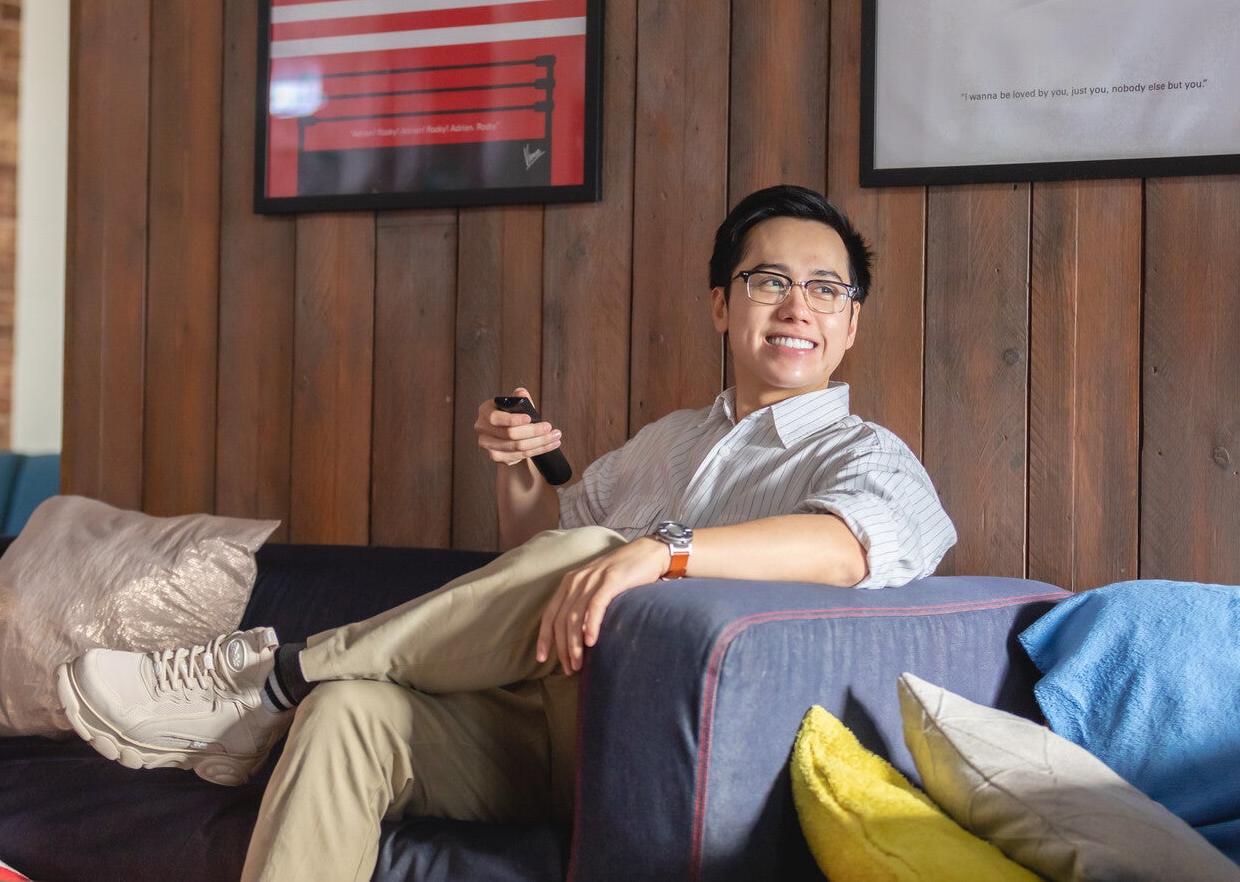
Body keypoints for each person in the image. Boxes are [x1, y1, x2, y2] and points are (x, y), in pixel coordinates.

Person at [54, 184, 958, 881]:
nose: (798, 305)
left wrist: (662, 548)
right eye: (770, 281)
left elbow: (849, 548)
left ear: (849, 326)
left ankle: (269, 679)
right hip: (532, 730)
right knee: (347, 716)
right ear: (724, 305)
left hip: (663, 747)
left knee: (606, 550)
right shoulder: (670, 441)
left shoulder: (866, 454)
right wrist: (518, 469)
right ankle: (299, 692)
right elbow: (538, 560)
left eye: (825, 289)